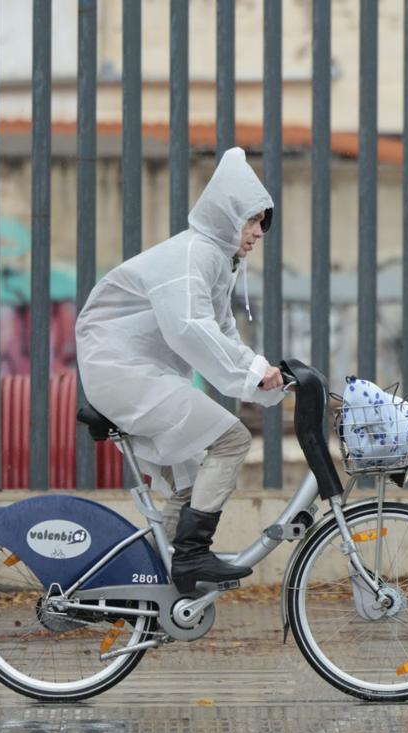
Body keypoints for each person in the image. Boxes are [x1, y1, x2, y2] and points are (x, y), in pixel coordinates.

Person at [75, 147, 286, 595]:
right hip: (121, 370)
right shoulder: (191, 256)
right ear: (227, 216)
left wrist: (268, 379)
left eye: (263, 223)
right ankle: (189, 558)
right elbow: (191, 329)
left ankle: (160, 591)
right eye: (252, 220)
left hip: (140, 372)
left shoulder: (215, 262)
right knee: (231, 440)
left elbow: (223, 335)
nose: (258, 233)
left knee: (194, 481)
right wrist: (252, 372)